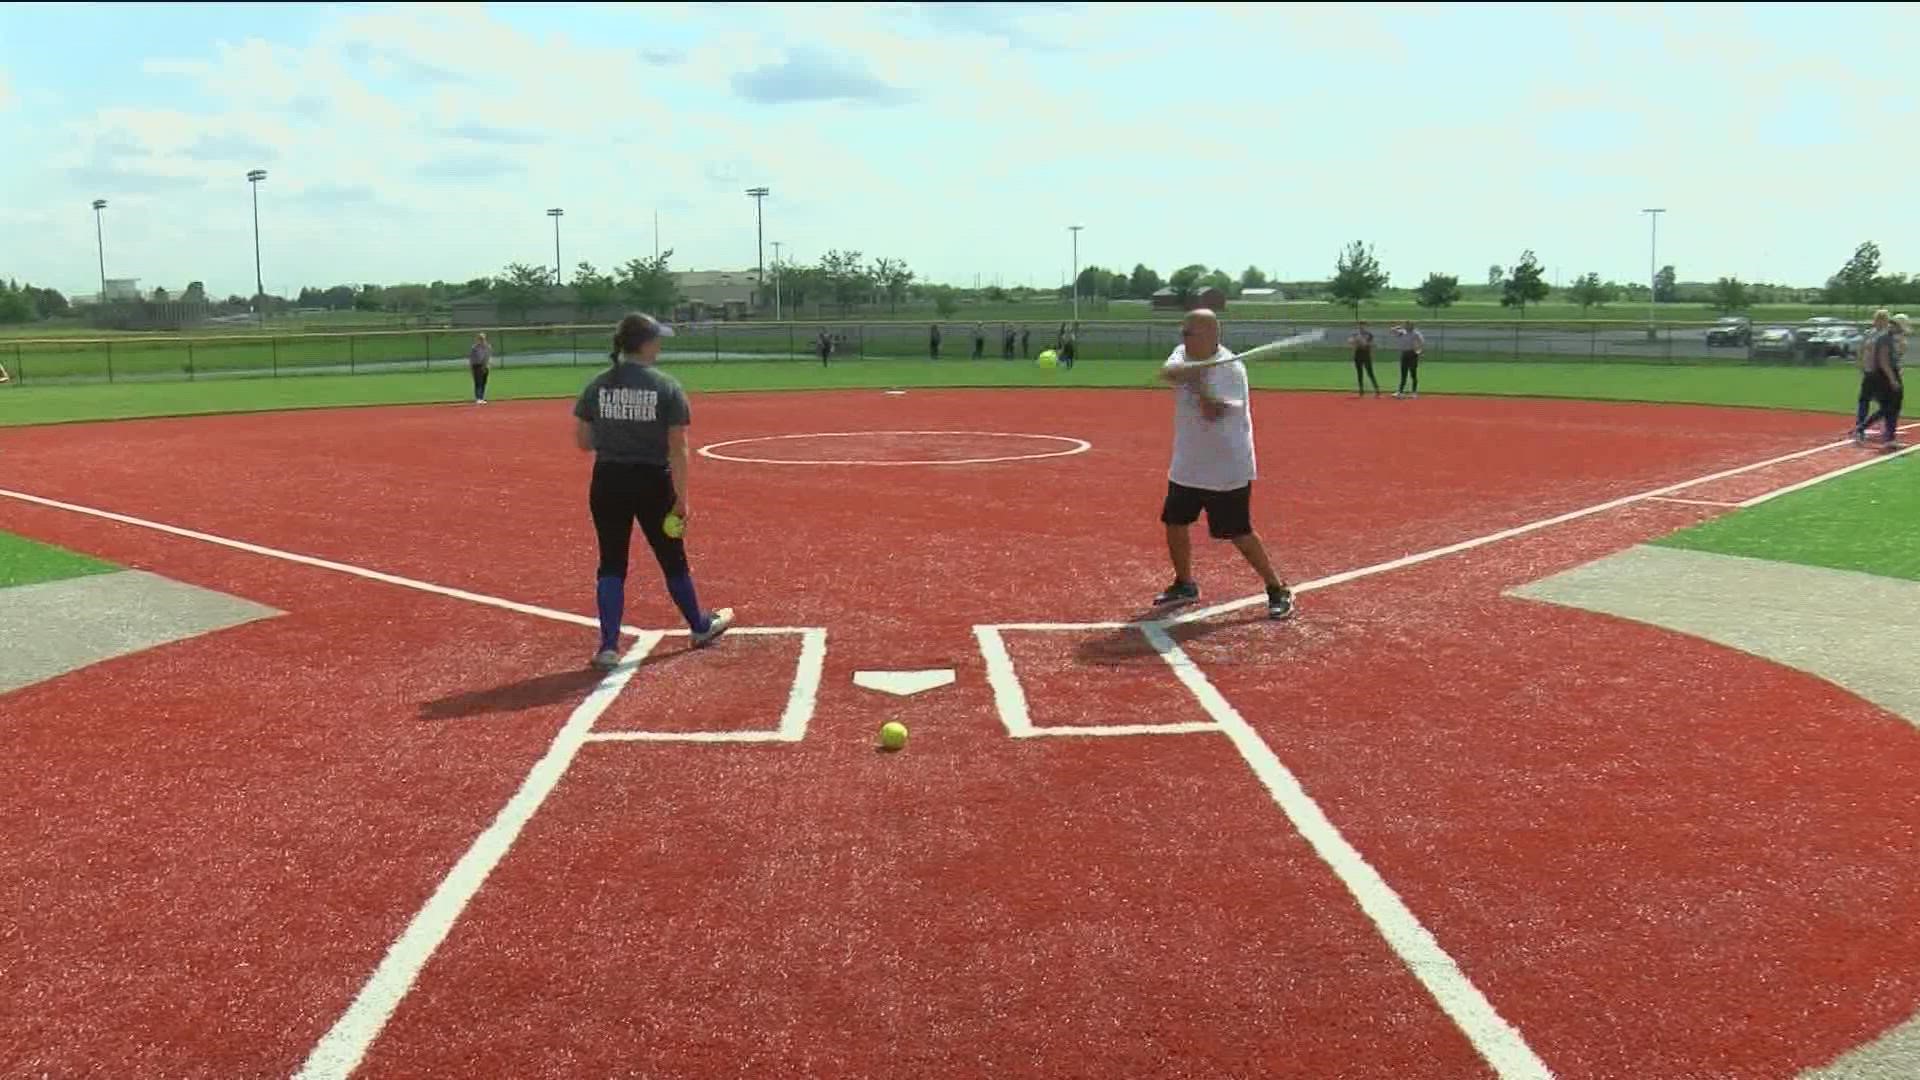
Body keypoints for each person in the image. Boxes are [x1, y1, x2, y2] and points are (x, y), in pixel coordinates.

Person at [574, 313, 733, 671]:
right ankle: (699, 625)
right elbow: (678, 448)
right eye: (657, 339)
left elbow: (583, 441)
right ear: (645, 344)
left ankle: (609, 647)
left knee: (611, 561)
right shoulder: (666, 387)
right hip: (652, 481)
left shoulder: (598, 385)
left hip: (608, 480)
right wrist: (682, 497)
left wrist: (615, 435)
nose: (660, 345)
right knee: (672, 558)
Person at [1152, 308, 1295, 620]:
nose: (1183, 339)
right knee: (1175, 522)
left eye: (1190, 333)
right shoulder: (1183, 353)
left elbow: (1212, 412)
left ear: (1210, 335)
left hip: (1225, 467)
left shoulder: (1231, 371)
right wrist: (1192, 370)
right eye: (1183, 333)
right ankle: (1185, 583)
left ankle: (1276, 587)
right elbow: (1166, 372)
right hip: (1188, 461)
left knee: (1238, 532)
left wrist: (1199, 380)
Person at [1857, 311, 1906, 450]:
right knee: (1889, 407)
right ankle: (1866, 429)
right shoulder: (1884, 338)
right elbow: (1883, 361)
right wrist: (1892, 379)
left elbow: (1896, 356)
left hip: (1886, 374)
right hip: (1884, 376)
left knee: (1891, 407)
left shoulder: (1892, 338)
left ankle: (1888, 437)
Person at [1852, 310, 1894, 444]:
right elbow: (1861, 350)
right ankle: (1861, 427)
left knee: (1884, 403)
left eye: (1881, 319)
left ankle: (1879, 428)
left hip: (1880, 373)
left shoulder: (1886, 335)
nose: (1877, 322)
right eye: (1877, 319)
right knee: (1865, 400)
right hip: (1870, 372)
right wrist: (1860, 365)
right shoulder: (1870, 334)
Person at [1393, 321, 1425, 398]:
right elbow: (1392, 330)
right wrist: (1399, 326)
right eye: (1406, 324)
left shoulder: (1415, 333)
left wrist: (1419, 351)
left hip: (1412, 353)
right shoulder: (1402, 332)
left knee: (1413, 374)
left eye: (1409, 325)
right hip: (1404, 354)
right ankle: (1400, 391)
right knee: (1403, 374)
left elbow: (1422, 341)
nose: (1407, 326)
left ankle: (1414, 392)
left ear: (1412, 325)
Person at [1347, 322, 1380, 397]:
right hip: (1358, 354)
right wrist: (1354, 341)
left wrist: (1362, 341)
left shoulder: (1369, 335)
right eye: (1360, 326)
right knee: (1359, 374)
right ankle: (1361, 391)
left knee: (1370, 373)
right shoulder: (1355, 334)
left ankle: (1376, 389)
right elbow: (1350, 342)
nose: (1361, 327)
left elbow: (1370, 344)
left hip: (1366, 355)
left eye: (1363, 325)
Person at [467, 333, 492, 404]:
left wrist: (487, 365)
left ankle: (482, 397)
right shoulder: (474, 347)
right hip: (477, 366)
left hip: (485, 366)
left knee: (484, 382)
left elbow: (488, 356)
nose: (482, 340)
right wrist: (471, 367)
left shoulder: (488, 347)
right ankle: (478, 398)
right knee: (478, 382)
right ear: (478, 339)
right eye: (480, 338)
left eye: (483, 338)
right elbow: (471, 358)